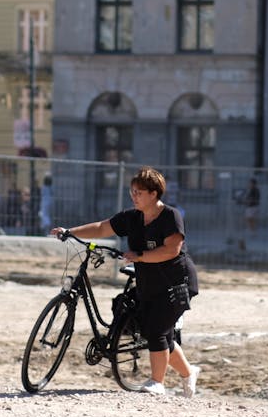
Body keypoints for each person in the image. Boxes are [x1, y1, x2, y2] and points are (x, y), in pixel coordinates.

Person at [50, 167, 200, 397]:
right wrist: (70, 231)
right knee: (160, 335)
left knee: (157, 330)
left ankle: (156, 382)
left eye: (138, 192)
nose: (134, 196)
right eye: (132, 191)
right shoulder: (132, 217)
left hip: (175, 283)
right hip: (149, 282)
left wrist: (140, 256)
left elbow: (171, 250)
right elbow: (103, 227)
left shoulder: (170, 216)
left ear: (153, 193)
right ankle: (189, 373)